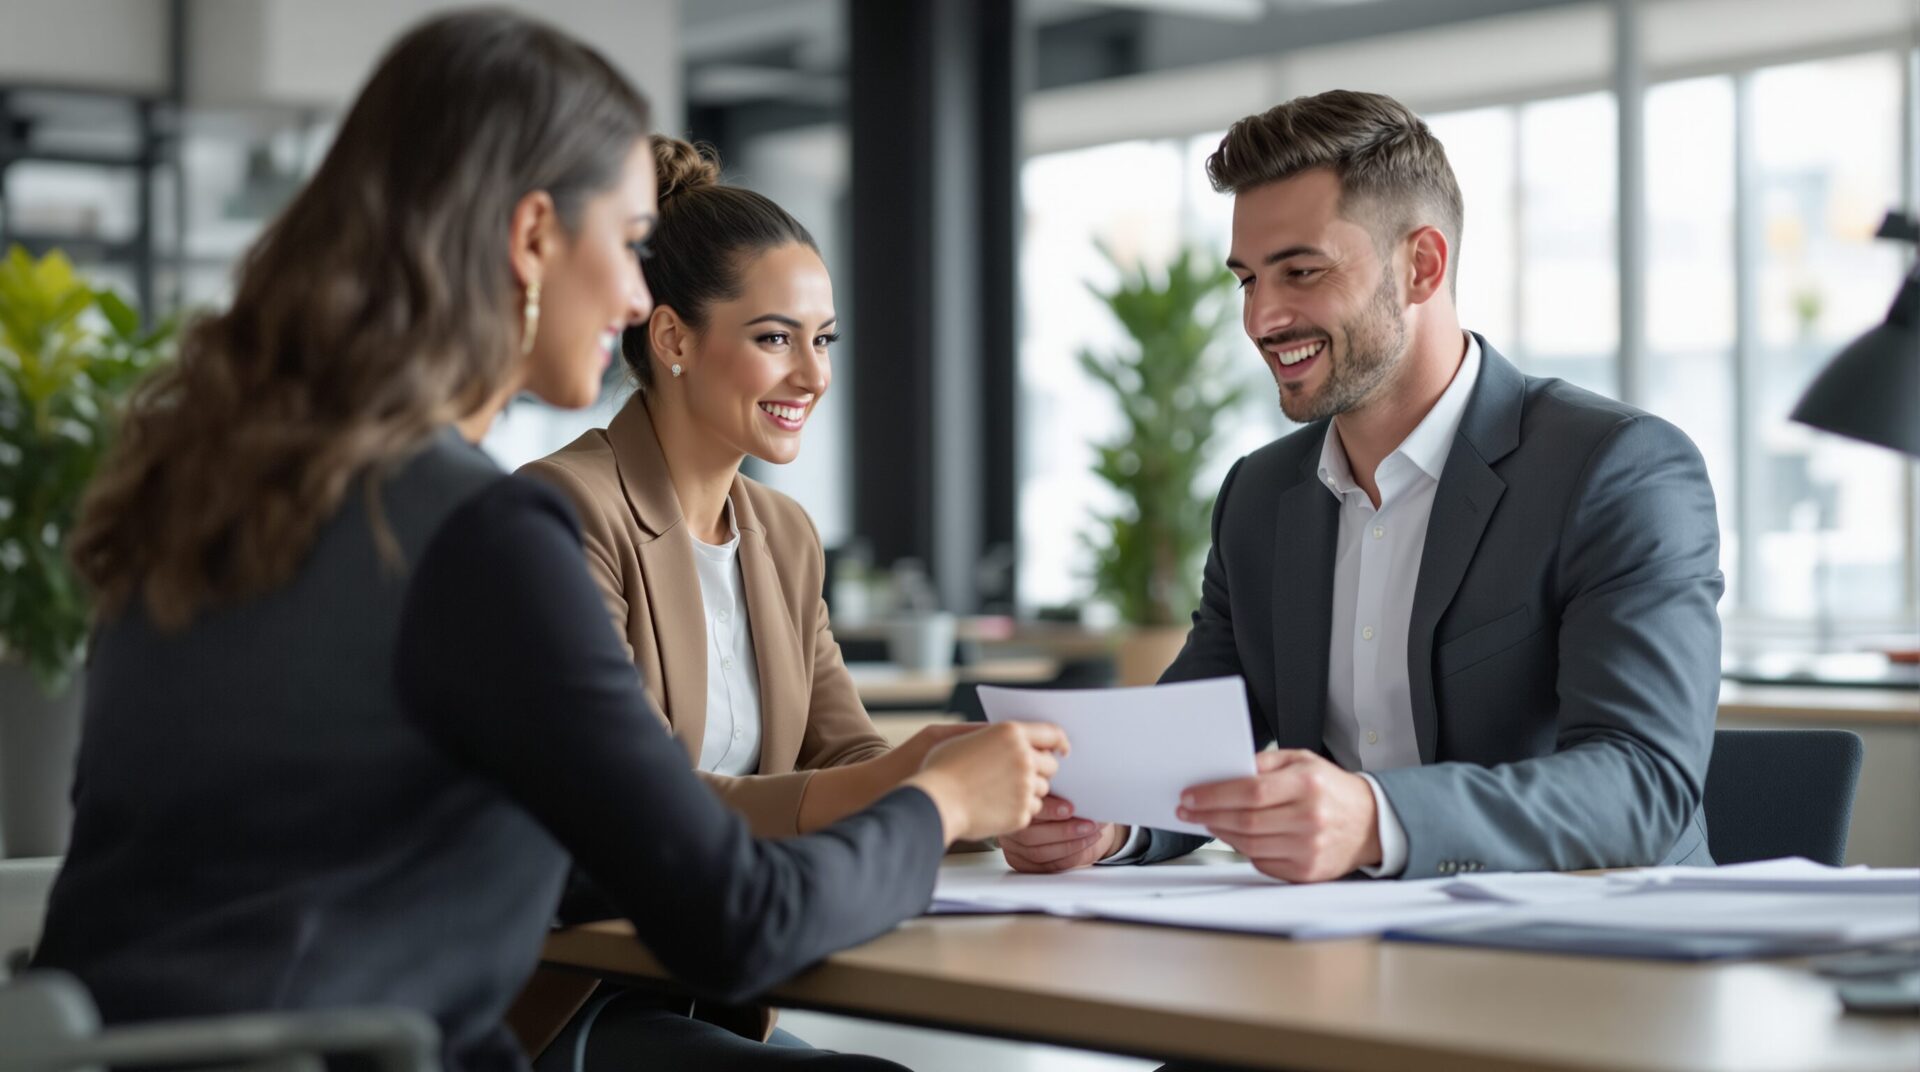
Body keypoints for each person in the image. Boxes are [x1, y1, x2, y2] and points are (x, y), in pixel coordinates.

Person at [30, 12, 1064, 1072]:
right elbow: (735, 918)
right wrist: (938, 803)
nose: (631, 296)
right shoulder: (474, 529)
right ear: (532, 237)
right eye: (624, 243)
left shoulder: (219, 481)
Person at [1001, 89, 1721, 883]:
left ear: (1422, 265)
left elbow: (1643, 785)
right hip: (1343, 953)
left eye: (1301, 272)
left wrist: (1377, 820)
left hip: (1592, 954)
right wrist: (1104, 823)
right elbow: (1194, 755)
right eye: (1247, 280)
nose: (1262, 318)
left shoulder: (1615, 470)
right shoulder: (1261, 496)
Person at [512, 136, 975, 1064]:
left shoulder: (783, 537)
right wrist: (917, 791)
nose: (816, 375)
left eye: (824, 339)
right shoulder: (565, 509)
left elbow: (842, 750)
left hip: (711, 991)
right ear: (674, 337)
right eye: (776, 338)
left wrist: (957, 779)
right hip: (566, 1001)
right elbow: (644, 811)